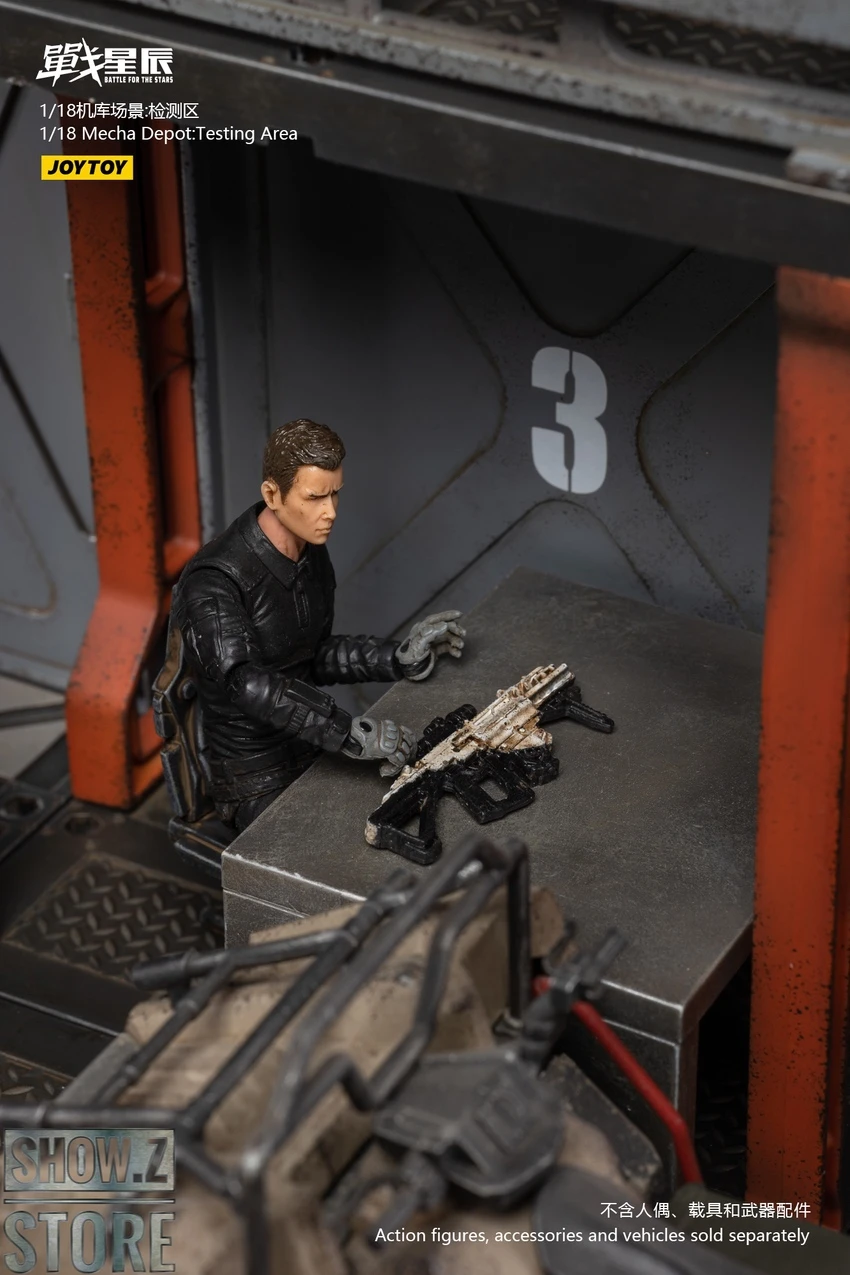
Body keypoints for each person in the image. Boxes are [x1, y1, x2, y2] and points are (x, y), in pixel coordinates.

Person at [167, 418, 465, 832]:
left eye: (335, 493)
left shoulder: (309, 551)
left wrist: (396, 658)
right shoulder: (215, 579)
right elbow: (247, 684)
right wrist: (346, 733)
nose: (331, 512)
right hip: (254, 778)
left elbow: (314, 655)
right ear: (272, 494)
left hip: (311, 747)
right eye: (315, 497)